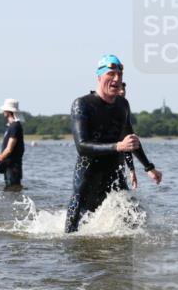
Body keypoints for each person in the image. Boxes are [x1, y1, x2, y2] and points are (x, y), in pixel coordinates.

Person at [65, 55, 162, 233]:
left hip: (115, 178)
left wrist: (149, 167)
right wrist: (118, 146)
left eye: (120, 74)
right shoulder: (82, 104)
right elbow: (82, 146)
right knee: (72, 237)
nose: (116, 79)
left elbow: (130, 139)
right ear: (99, 77)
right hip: (88, 181)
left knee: (135, 224)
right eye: (111, 73)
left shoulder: (123, 105)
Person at [0, 98, 24, 189]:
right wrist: (1, 156)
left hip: (13, 167)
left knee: (13, 190)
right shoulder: (11, 126)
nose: (3, 111)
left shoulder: (15, 126)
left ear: (9, 111)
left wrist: (0, 157)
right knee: (9, 192)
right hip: (9, 165)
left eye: (5, 109)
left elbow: (9, 148)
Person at [117, 82, 137, 189]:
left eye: (123, 90)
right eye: (119, 89)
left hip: (118, 163)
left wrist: (132, 170)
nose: (122, 92)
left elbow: (128, 141)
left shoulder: (124, 107)